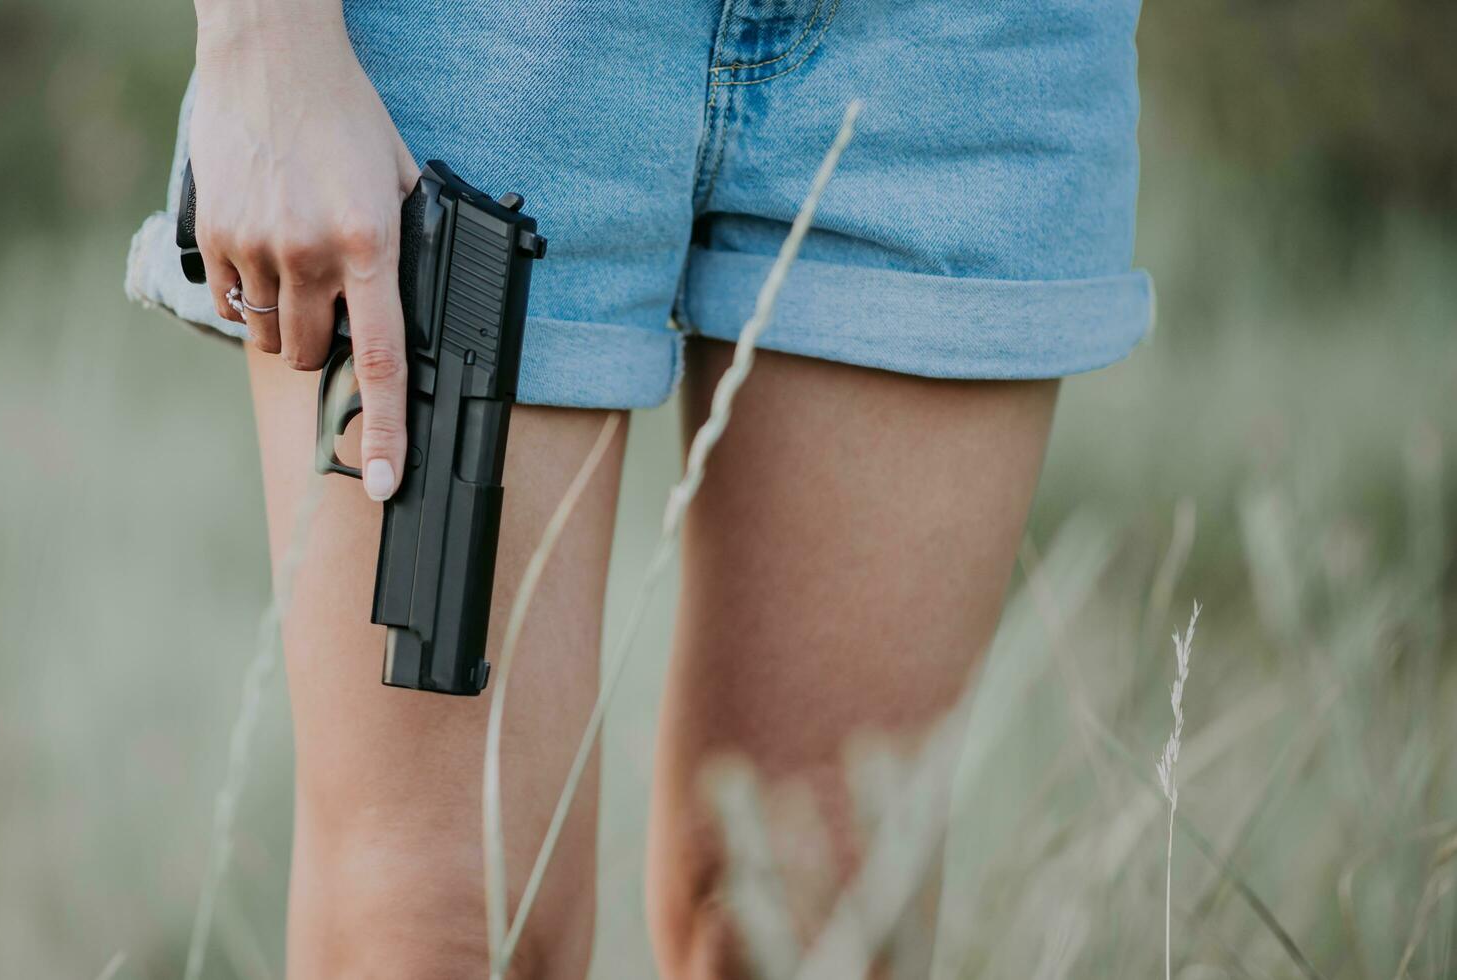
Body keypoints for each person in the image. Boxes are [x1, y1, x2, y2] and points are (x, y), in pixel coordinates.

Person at [125, 0, 1151, 975]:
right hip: (482, 44)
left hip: (957, 49)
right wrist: (264, 38)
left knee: (811, 915)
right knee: (434, 936)